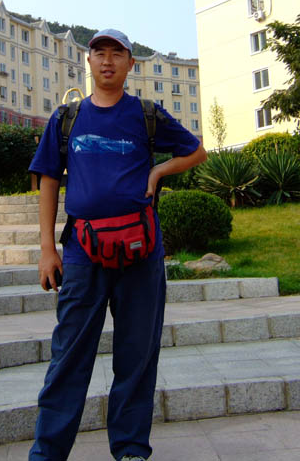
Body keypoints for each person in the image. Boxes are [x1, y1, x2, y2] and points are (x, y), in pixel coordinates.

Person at [28, 28, 206, 461]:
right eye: (99, 53)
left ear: (130, 64)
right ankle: (47, 453)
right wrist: (48, 249)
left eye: (117, 53)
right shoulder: (66, 119)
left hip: (141, 250)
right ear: (88, 62)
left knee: (137, 352)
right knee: (69, 354)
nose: (107, 60)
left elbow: (197, 151)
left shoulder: (147, 115)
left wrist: (158, 171)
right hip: (82, 252)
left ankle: (130, 449)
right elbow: (48, 178)